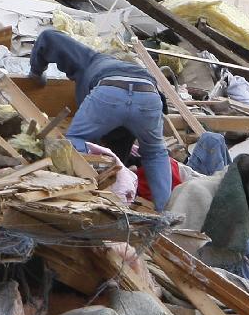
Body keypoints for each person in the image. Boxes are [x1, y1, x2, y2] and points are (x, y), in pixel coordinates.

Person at [28, 28, 172, 211]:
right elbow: (160, 107)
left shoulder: (90, 58)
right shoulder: (131, 68)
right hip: (149, 95)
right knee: (155, 153)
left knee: (74, 140)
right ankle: (165, 211)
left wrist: (36, 74)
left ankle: (86, 192)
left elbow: (47, 37)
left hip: (109, 89)